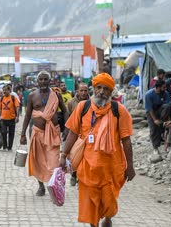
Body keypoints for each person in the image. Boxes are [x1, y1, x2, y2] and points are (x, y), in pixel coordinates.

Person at [59, 72, 135, 227]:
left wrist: (130, 166)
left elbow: (126, 140)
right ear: (93, 88)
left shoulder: (119, 110)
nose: (101, 91)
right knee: (91, 204)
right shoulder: (82, 107)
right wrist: (63, 155)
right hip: (88, 167)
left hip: (111, 168)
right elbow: (72, 133)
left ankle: (107, 218)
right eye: (98, 87)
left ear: (111, 92)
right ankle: (94, 223)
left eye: (106, 89)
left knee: (109, 204)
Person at [20, 71, 68, 196]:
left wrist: (67, 128)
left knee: (54, 160)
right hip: (37, 132)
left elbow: (65, 110)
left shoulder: (56, 95)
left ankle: (53, 186)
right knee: (38, 160)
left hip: (53, 132)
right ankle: (41, 186)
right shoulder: (32, 96)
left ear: (50, 80)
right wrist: (22, 134)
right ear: (37, 81)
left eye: (45, 79)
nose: (43, 81)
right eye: (40, 79)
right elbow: (27, 115)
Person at [65, 82, 89, 186]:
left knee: (85, 156)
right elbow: (69, 117)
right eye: (81, 90)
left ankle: (82, 178)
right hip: (75, 132)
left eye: (85, 90)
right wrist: (67, 131)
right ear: (77, 91)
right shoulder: (71, 103)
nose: (83, 92)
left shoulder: (92, 102)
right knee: (74, 154)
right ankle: (74, 175)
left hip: (86, 133)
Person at [145, 80, 171, 158]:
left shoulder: (165, 93)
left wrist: (166, 118)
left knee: (167, 107)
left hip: (160, 110)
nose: (165, 89)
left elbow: (169, 105)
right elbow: (149, 109)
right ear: (158, 87)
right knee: (153, 128)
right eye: (163, 87)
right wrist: (155, 120)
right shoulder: (149, 94)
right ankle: (155, 147)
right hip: (151, 112)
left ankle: (166, 142)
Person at [0, 84, 20, 151]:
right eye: (3, 90)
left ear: (9, 90)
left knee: (11, 133)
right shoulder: (1, 99)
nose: (4, 92)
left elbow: (17, 107)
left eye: (6, 90)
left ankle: (10, 147)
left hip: (12, 119)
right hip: (3, 119)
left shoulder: (13, 98)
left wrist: (17, 116)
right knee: (3, 132)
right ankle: (4, 146)